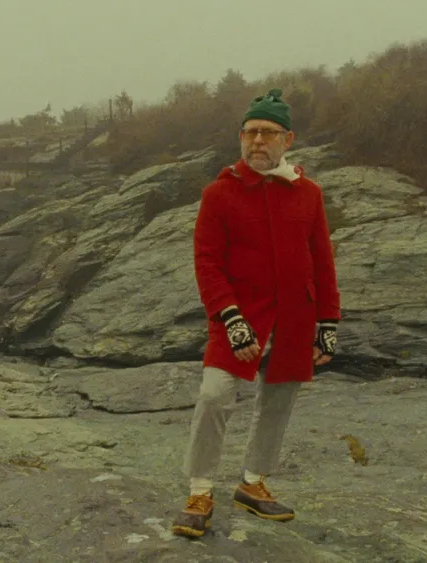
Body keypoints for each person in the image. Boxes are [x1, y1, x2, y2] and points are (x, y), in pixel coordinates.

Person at [170, 88, 341, 538]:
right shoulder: (218, 193)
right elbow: (207, 263)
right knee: (214, 395)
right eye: (250, 132)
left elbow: (322, 259)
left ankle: (252, 483)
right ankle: (199, 490)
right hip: (237, 315)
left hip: (296, 315)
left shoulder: (309, 193)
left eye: (268, 132)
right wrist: (230, 318)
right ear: (240, 137)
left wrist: (328, 321)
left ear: (288, 139)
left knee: (280, 398)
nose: (258, 140)